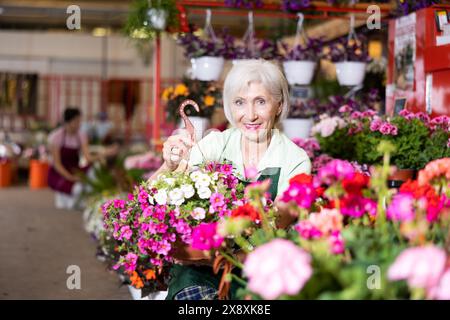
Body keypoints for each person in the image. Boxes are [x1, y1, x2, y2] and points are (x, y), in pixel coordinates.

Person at [150, 60, 311, 300]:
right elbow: (154, 194)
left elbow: (283, 217)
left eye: (261, 101)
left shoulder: (295, 159)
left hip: (264, 271)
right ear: (229, 106)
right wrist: (170, 166)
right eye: (239, 102)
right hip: (205, 270)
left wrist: (236, 252)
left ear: (278, 105)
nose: (251, 115)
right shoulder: (216, 144)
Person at [47, 107, 115, 209]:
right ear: (68, 122)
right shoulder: (56, 136)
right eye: (77, 121)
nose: (79, 124)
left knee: (93, 169)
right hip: (60, 172)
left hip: (74, 169)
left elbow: (88, 158)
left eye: (79, 121)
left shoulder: (81, 135)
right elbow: (57, 164)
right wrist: (70, 177)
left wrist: (104, 153)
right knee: (76, 190)